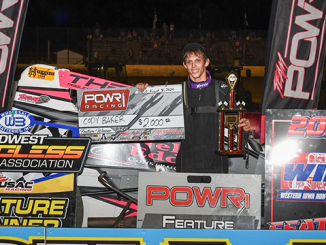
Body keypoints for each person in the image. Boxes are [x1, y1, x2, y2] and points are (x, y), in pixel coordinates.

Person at [136, 43, 251, 173]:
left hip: (216, 163)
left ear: (206, 62)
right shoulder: (177, 92)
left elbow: (236, 124)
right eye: (189, 62)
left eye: (197, 61)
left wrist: (244, 126)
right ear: (185, 65)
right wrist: (143, 93)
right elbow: (150, 115)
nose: (193, 66)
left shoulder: (223, 89)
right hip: (186, 163)